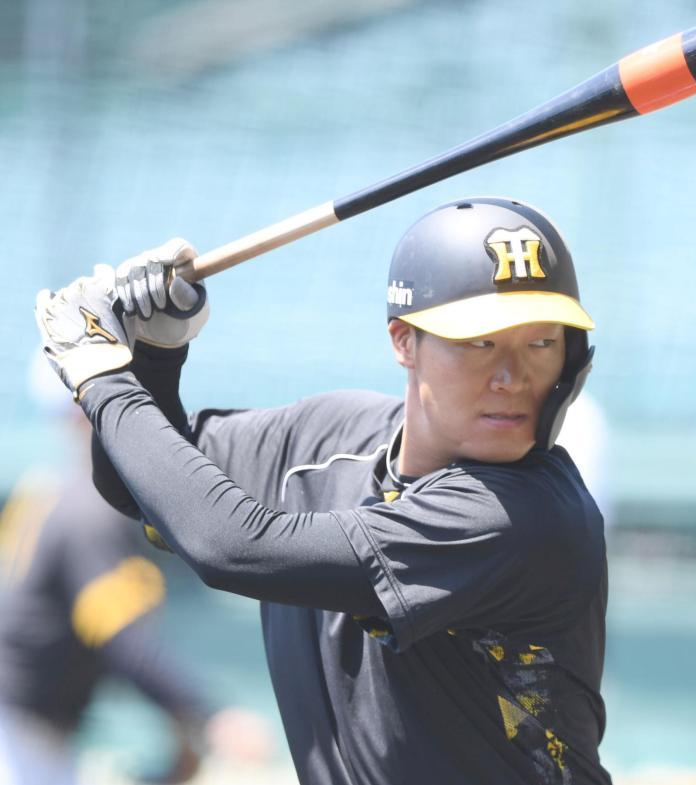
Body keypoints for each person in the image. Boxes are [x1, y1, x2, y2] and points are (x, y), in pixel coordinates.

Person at [33, 197, 611, 784]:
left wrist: (104, 380)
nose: (513, 377)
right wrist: (154, 358)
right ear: (404, 340)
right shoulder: (329, 438)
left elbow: (232, 547)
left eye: (541, 343)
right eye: (480, 343)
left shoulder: (526, 516)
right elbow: (143, 487)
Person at [0, 356, 273, 785]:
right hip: (23, 740)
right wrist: (210, 715)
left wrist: (179, 724)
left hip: (28, 727)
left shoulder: (47, 490)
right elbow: (123, 640)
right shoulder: (86, 511)